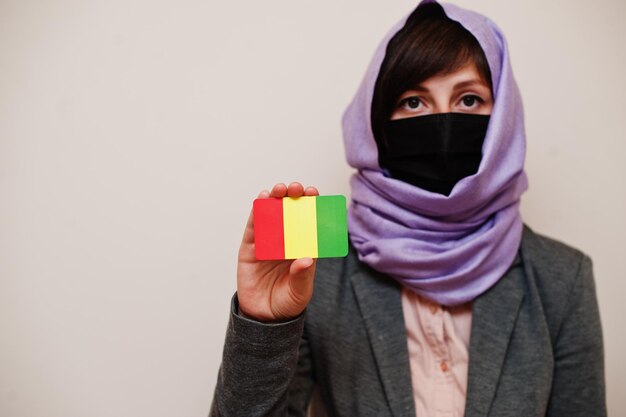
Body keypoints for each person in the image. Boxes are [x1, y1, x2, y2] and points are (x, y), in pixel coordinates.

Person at [210, 1, 606, 416]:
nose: (444, 122)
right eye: (414, 102)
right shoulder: (315, 272)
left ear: (504, 117)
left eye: (469, 99)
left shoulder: (564, 280)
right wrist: (264, 327)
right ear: (378, 124)